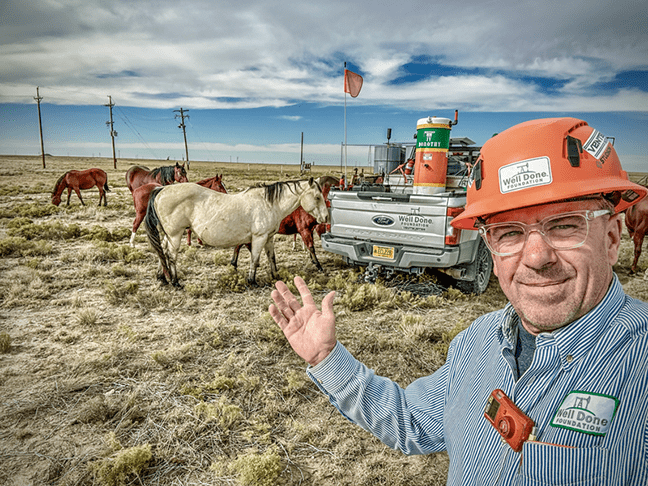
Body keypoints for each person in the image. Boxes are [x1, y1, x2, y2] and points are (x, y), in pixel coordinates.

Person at [269, 118, 648, 485]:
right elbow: (411, 422)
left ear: (613, 238)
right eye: (509, 232)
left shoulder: (639, 363)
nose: (536, 256)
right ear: (491, 249)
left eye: (565, 224)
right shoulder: (477, 342)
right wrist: (326, 359)